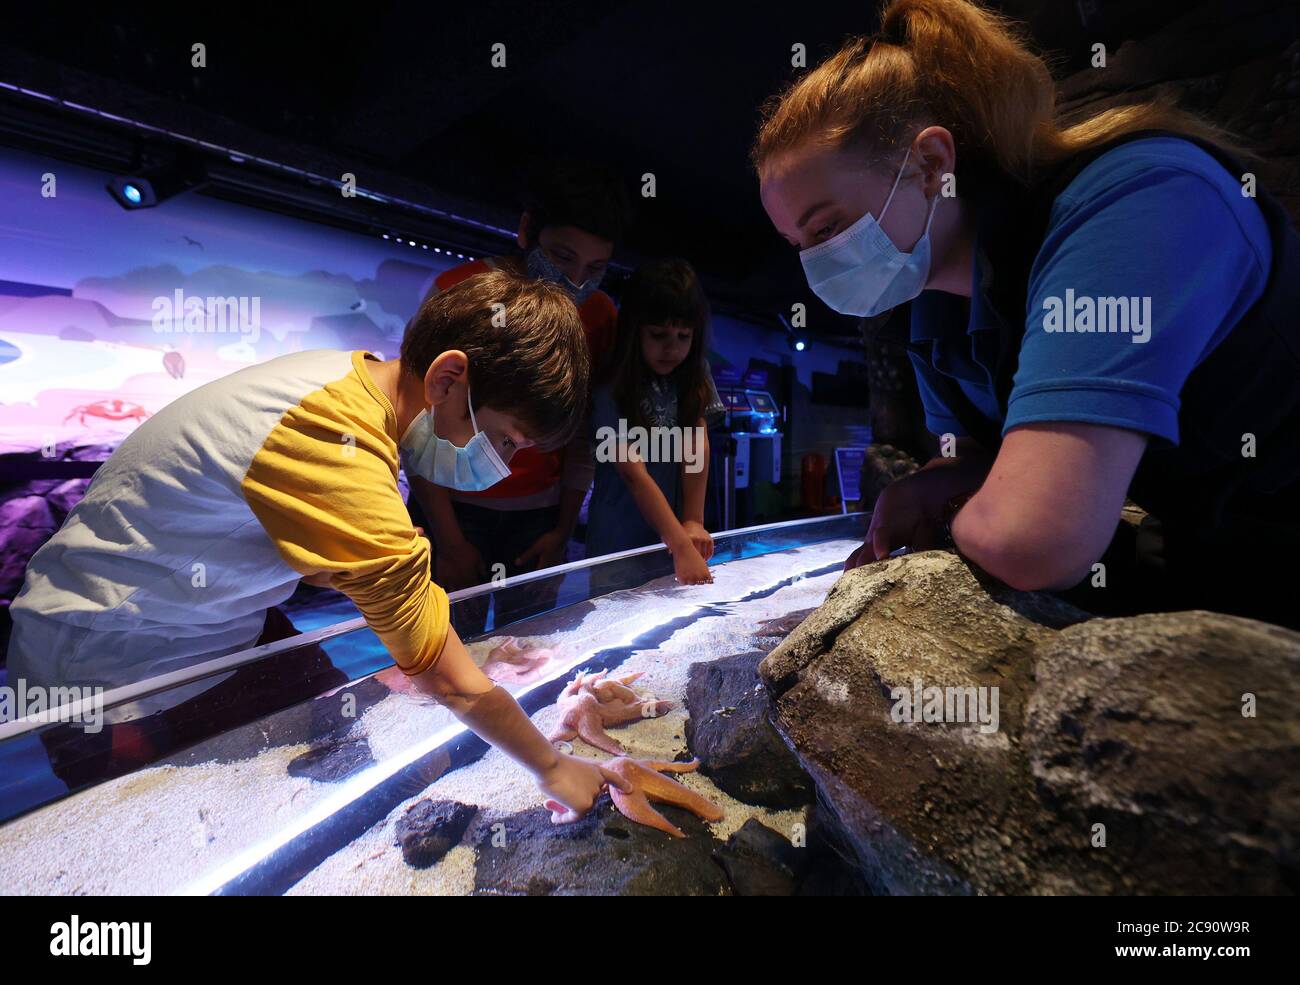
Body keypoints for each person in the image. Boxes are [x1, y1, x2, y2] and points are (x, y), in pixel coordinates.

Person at [754, 0, 1300, 627]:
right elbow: (982, 461)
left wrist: (969, 508)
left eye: (827, 228)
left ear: (932, 165)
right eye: (800, 247)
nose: (817, 263)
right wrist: (944, 481)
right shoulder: (935, 305)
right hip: (1207, 563)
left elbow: (1032, 538)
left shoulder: (1136, 201)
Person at [8, 270, 629, 814]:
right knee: (176, 824)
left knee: (355, 742)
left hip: (219, 624)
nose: (504, 462)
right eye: (505, 439)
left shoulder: (350, 382)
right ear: (448, 379)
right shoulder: (336, 441)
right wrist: (552, 768)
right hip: (116, 661)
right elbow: (448, 679)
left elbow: (277, 536)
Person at [408, 159, 631, 633]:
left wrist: (562, 530)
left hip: (538, 517)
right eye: (562, 256)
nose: (575, 281)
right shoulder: (459, 293)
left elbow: (581, 433)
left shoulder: (598, 315)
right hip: (451, 508)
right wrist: (448, 540)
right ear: (528, 229)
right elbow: (415, 424)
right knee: (443, 648)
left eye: (595, 267)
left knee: (530, 651)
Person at [587, 259, 724, 588]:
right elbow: (631, 472)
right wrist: (679, 542)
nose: (672, 348)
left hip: (676, 539)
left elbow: (696, 443)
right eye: (659, 334)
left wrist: (693, 520)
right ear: (634, 330)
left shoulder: (694, 373)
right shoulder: (611, 384)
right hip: (617, 543)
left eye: (683, 336)